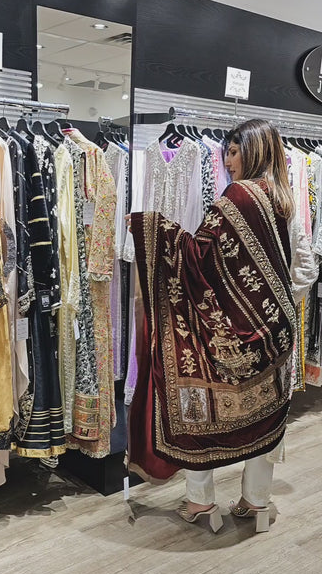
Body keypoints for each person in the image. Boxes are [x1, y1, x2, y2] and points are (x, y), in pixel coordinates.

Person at [126, 119, 318, 533]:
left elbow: (198, 256)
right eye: (226, 152)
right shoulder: (284, 199)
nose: (227, 161)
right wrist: (275, 308)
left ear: (254, 150)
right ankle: (257, 502)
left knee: (200, 409)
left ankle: (201, 502)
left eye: (233, 151)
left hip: (234, 334)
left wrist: (150, 228)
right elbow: (305, 268)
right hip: (277, 334)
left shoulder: (237, 197)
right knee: (266, 416)